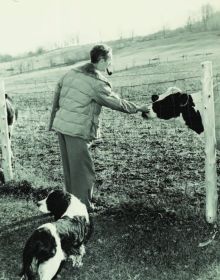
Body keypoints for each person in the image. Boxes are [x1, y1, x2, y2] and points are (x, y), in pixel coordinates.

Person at [48, 44, 149, 210]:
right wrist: (138, 108)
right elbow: (116, 102)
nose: (111, 64)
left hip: (62, 126)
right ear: (101, 60)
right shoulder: (96, 82)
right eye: (109, 60)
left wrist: (52, 122)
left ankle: (70, 205)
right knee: (82, 171)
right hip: (77, 130)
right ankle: (83, 208)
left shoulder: (72, 72)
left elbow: (56, 96)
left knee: (70, 171)